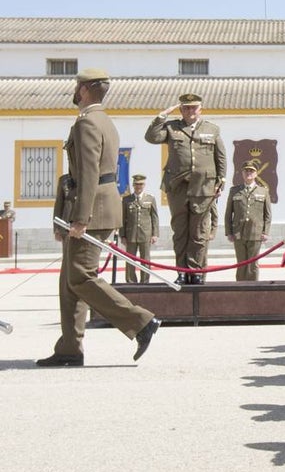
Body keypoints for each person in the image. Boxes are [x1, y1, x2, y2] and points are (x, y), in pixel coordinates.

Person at [36, 68, 161, 367]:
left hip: (92, 209)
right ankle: (69, 347)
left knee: (80, 275)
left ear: (86, 89)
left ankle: (140, 321)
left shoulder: (88, 123)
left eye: (77, 86)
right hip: (97, 206)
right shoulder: (105, 120)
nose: (75, 90)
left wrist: (81, 218)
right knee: (70, 281)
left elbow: (90, 172)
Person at [144, 92, 226, 284]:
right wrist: (161, 116)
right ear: (181, 109)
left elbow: (220, 157)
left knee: (199, 232)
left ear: (200, 109)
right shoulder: (172, 127)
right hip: (178, 187)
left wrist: (220, 181)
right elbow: (152, 137)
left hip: (203, 187)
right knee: (180, 232)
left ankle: (196, 271)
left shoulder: (212, 129)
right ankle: (181, 271)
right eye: (186, 108)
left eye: (194, 107)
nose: (190, 111)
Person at [224, 160, 272, 281]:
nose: (248, 173)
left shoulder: (263, 191)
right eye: (246, 171)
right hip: (239, 233)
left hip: (255, 233)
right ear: (242, 173)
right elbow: (228, 213)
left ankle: (253, 290)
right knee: (241, 264)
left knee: (253, 265)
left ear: (256, 174)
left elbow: (268, 215)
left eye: (251, 171)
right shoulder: (234, 191)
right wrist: (229, 232)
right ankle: (241, 290)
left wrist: (265, 232)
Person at [120, 174, 159, 283]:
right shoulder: (127, 199)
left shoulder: (150, 199)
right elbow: (123, 219)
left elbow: (154, 218)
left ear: (144, 185)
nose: (138, 186)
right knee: (130, 259)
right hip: (131, 235)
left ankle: (145, 281)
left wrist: (155, 234)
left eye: (141, 184)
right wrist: (122, 235)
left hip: (145, 234)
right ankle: (131, 281)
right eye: (136, 184)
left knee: (145, 259)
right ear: (133, 185)